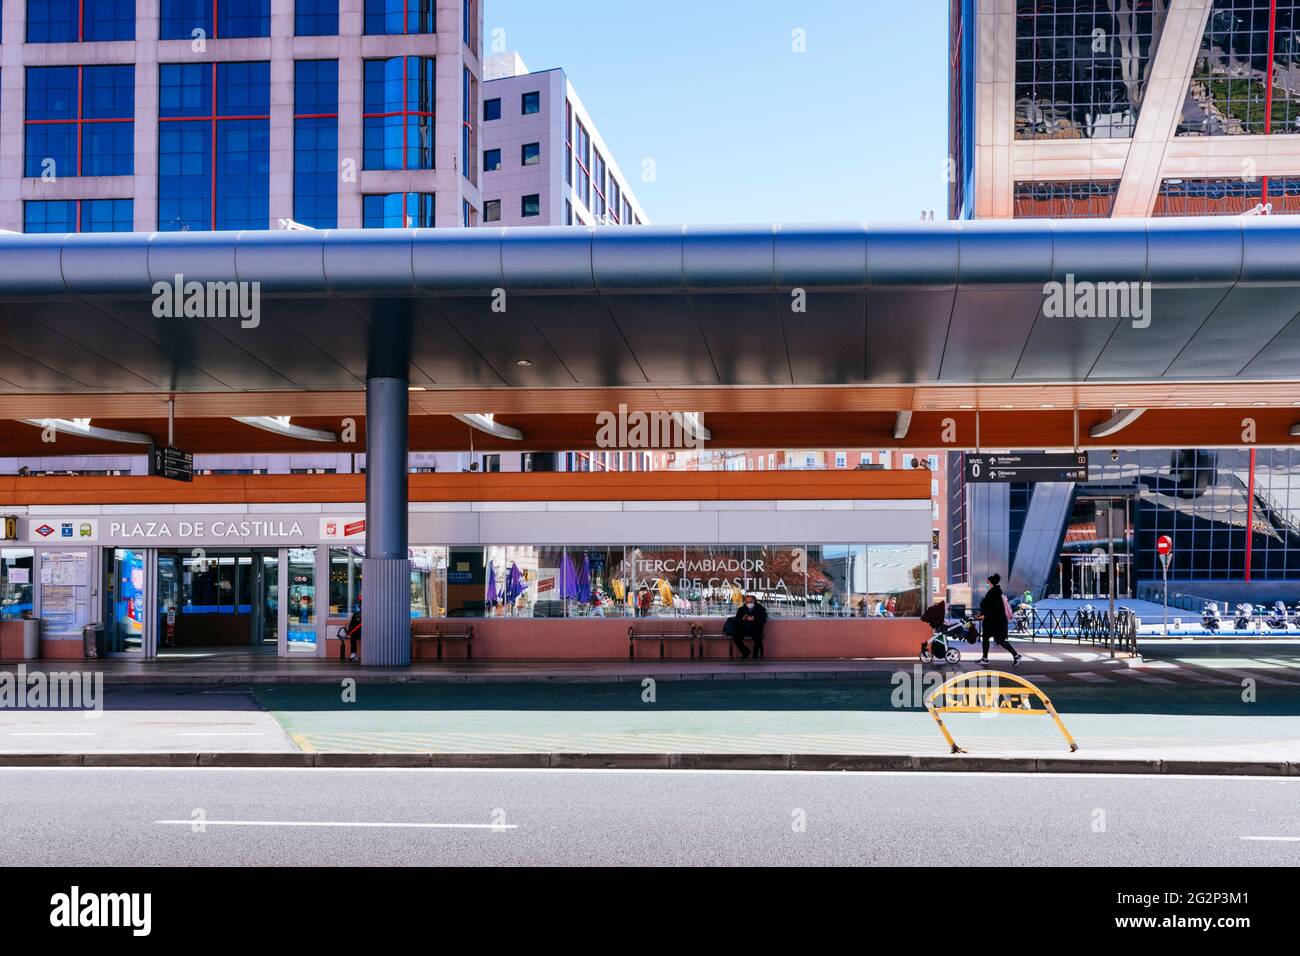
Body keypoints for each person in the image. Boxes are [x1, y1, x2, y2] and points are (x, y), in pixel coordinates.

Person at [977, 573, 1021, 666]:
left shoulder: (994, 593)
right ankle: (985, 658)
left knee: (1000, 640)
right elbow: (990, 607)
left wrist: (984, 614)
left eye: (987, 582)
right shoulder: (994, 592)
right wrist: (984, 614)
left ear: (991, 583)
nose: (986, 584)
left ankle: (1016, 655)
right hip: (993, 621)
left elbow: (993, 608)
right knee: (987, 638)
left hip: (996, 622)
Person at [727, 594, 768, 659]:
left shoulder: (760, 609)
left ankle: (755, 654)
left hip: (756, 628)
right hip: (744, 628)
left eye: (750, 602)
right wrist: (742, 619)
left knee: (758, 638)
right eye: (747, 602)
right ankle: (745, 651)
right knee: (736, 637)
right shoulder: (741, 609)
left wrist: (754, 619)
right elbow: (737, 620)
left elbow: (763, 619)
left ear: (754, 601)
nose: (748, 604)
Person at [344, 596, 362, 662]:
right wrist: (348, 631)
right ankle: (353, 654)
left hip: (366, 632)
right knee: (353, 635)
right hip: (357, 632)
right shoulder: (356, 615)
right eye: (360, 605)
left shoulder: (368, 614)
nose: (360, 606)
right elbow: (352, 624)